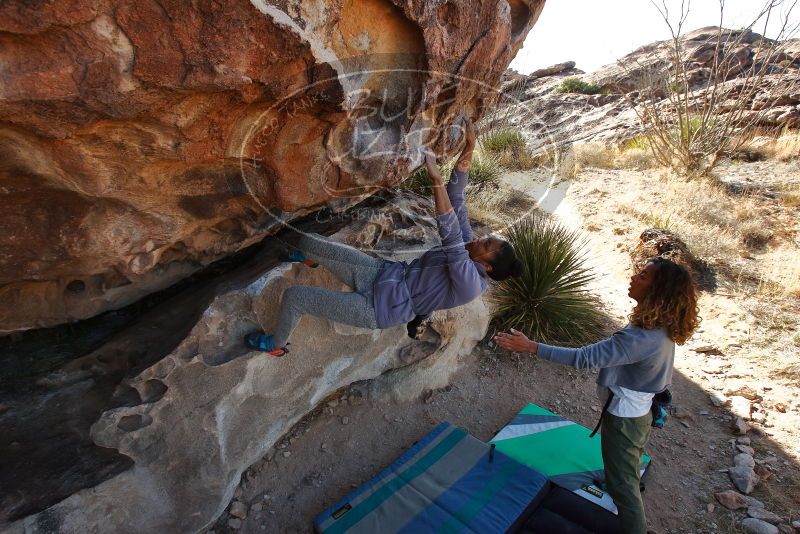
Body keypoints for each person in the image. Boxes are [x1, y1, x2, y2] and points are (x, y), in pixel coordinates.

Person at [245, 119, 523, 356]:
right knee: (306, 240)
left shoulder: (470, 283)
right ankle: (309, 258)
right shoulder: (470, 247)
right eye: (486, 238)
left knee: (295, 297)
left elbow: (449, 232)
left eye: (487, 244)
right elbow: (457, 199)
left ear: (487, 266)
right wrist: (469, 147)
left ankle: (275, 344)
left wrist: (435, 180)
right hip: (381, 274)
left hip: (378, 309)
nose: (480, 239)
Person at [493, 257, 700, 534]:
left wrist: (531, 347)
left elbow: (584, 358)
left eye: (644, 275)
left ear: (658, 291)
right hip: (638, 415)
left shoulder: (639, 339)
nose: (634, 276)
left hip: (625, 420)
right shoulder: (658, 327)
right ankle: (625, 468)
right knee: (629, 456)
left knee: (624, 490)